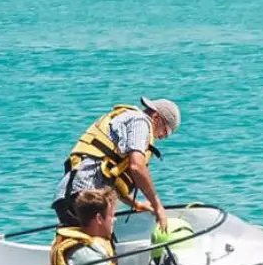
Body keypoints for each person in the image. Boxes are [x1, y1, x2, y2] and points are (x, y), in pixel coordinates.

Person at [53, 96, 180, 232]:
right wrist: (158, 207)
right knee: (98, 246)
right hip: (83, 196)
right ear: (156, 117)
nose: (162, 137)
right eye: (166, 132)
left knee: (100, 244)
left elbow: (110, 175)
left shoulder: (130, 121)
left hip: (76, 195)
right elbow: (137, 167)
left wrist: (136, 204)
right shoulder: (141, 122)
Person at [48, 188, 121, 265]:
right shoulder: (88, 256)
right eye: (111, 215)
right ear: (99, 219)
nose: (114, 219)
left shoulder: (89, 246)